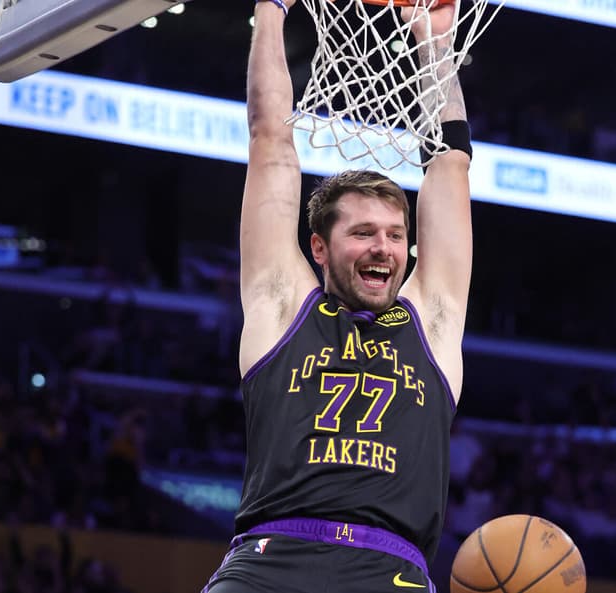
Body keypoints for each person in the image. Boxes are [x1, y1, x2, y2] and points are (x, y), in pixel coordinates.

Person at [202, 0, 473, 590]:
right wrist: (271, 11)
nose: (383, 247)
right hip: (271, 562)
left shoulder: (431, 322)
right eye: (363, 233)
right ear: (319, 248)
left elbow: (449, 166)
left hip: (388, 569)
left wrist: (434, 45)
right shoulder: (284, 307)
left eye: (396, 235)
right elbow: (271, 141)